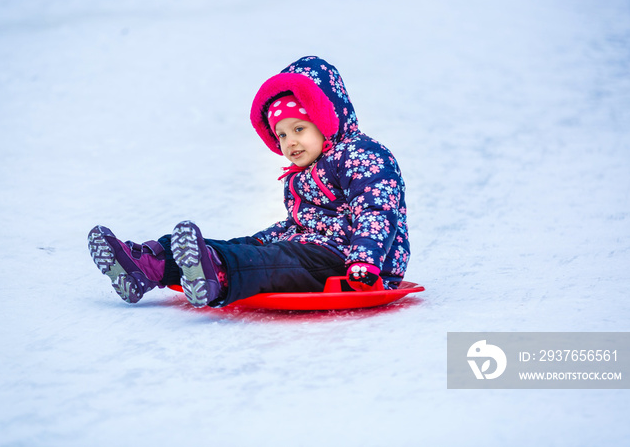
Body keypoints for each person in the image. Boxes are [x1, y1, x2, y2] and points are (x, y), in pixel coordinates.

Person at [88, 56, 410, 308]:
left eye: (299, 129)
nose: (289, 143)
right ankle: (151, 264)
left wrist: (364, 261)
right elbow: (300, 224)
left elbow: (376, 210)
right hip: (314, 248)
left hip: (349, 262)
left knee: (271, 261)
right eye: (281, 134)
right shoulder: (307, 170)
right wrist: (256, 241)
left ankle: (220, 272)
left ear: (326, 119)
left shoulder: (363, 154)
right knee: (247, 247)